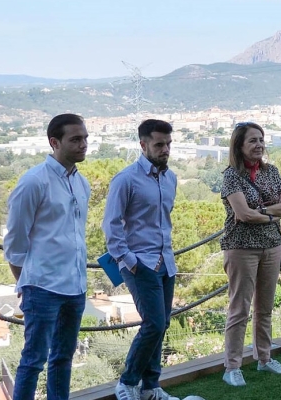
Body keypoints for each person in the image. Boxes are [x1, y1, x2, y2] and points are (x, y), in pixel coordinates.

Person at [4, 113, 90, 400]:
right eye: (75, 139)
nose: (83, 145)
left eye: (85, 138)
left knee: (63, 359)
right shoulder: (33, 182)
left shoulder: (82, 184)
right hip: (42, 287)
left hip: (76, 287)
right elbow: (15, 241)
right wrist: (26, 283)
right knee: (33, 361)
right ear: (54, 142)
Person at [104, 119, 181, 400]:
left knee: (162, 325)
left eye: (168, 144)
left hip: (166, 262)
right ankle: (127, 382)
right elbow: (111, 225)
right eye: (159, 144)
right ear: (143, 144)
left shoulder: (171, 178)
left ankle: (151, 388)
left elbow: (163, 223)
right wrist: (130, 260)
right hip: (140, 264)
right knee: (154, 324)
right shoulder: (126, 179)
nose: (165, 149)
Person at [219, 122, 281, 387]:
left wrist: (261, 213)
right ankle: (232, 367)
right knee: (239, 309)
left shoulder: (271, 172)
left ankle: (264, 358)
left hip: (272, 246)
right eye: (252, 140)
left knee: (265, 308)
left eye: (261, 140)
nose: (259, 145)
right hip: (240, 248)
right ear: (239, 146)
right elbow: (243, 214)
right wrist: (271, 214)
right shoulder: (231, 176)